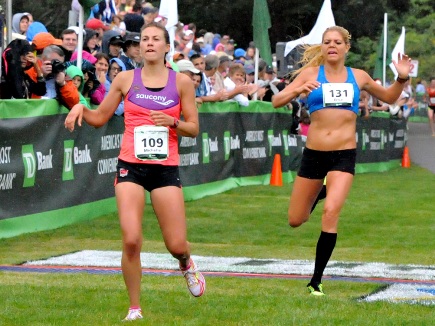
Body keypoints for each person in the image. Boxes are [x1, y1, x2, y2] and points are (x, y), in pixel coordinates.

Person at [64, 22, 205, 321]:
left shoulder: (181, 83)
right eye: (145, 39)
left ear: (167, 47)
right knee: (131, 239)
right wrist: (79, 108)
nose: (150, 43)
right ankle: (134, 308)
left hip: (165, 169)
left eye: (156, 39)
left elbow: (193, 128)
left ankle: (186, 262)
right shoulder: (126, 79)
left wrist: (173, 122)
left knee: (176, 244)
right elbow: (100, 117)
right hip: (131, 165)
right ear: (139, 47)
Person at [271, 26, 411, 296]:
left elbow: (391, 97)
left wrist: (401, 79)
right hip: (314, 155)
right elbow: (277, 100)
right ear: (322, 48)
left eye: (337, 42)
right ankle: (322, 192)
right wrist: (298, 88)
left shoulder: (358, 77)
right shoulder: (310, 73)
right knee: (296, 219)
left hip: (343, 155)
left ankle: (316, 281)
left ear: (347, 48)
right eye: (327, 42)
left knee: (331, 212)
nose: (332, 46)